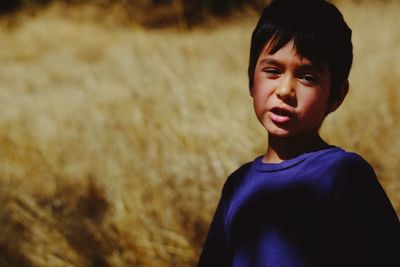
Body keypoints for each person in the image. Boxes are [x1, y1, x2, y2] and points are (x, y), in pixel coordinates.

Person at [197, 0, 400, 266]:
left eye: (307, 77)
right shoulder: (237, 185)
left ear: (337, 95)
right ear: (250, 80)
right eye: (272, 71)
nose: (285, 90)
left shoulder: (344, 175)